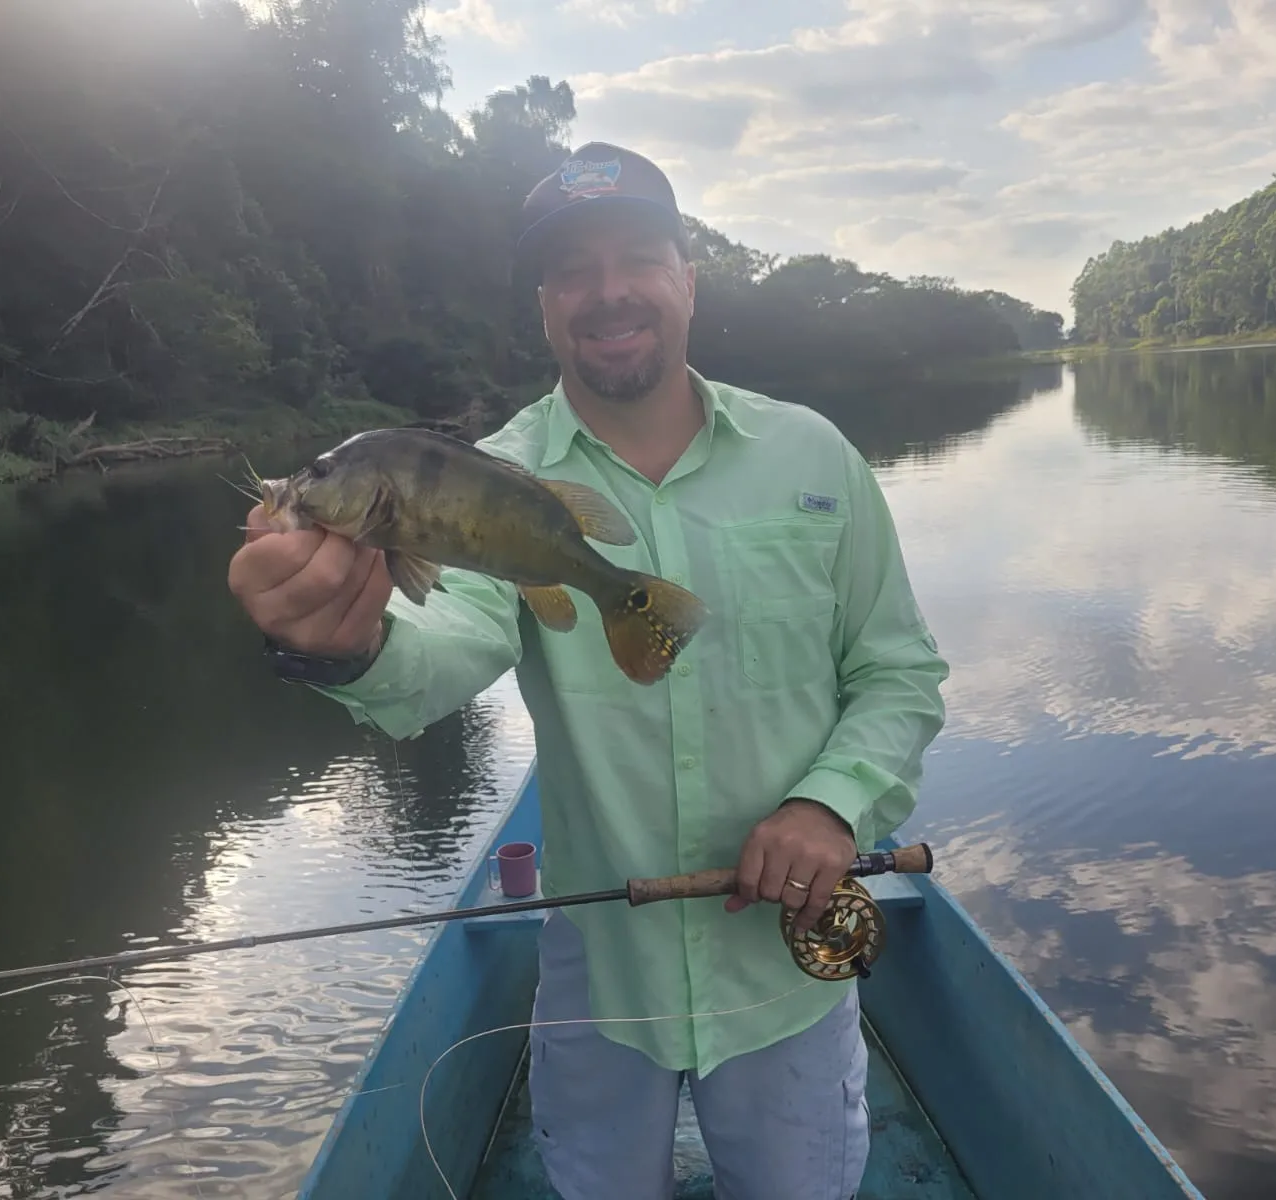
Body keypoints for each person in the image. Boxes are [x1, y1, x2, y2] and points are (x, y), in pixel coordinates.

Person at [227, 141, 949, 1200]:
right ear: (544, 305)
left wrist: (830, 811)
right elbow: (438, 655)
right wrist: (339, 643)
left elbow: (898, 675)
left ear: (686, 280)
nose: (608, 290)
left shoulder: (816, 458)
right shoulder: (502, 474)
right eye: (573, 270)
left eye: (638, 257)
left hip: (783, 979)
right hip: (601, 976)